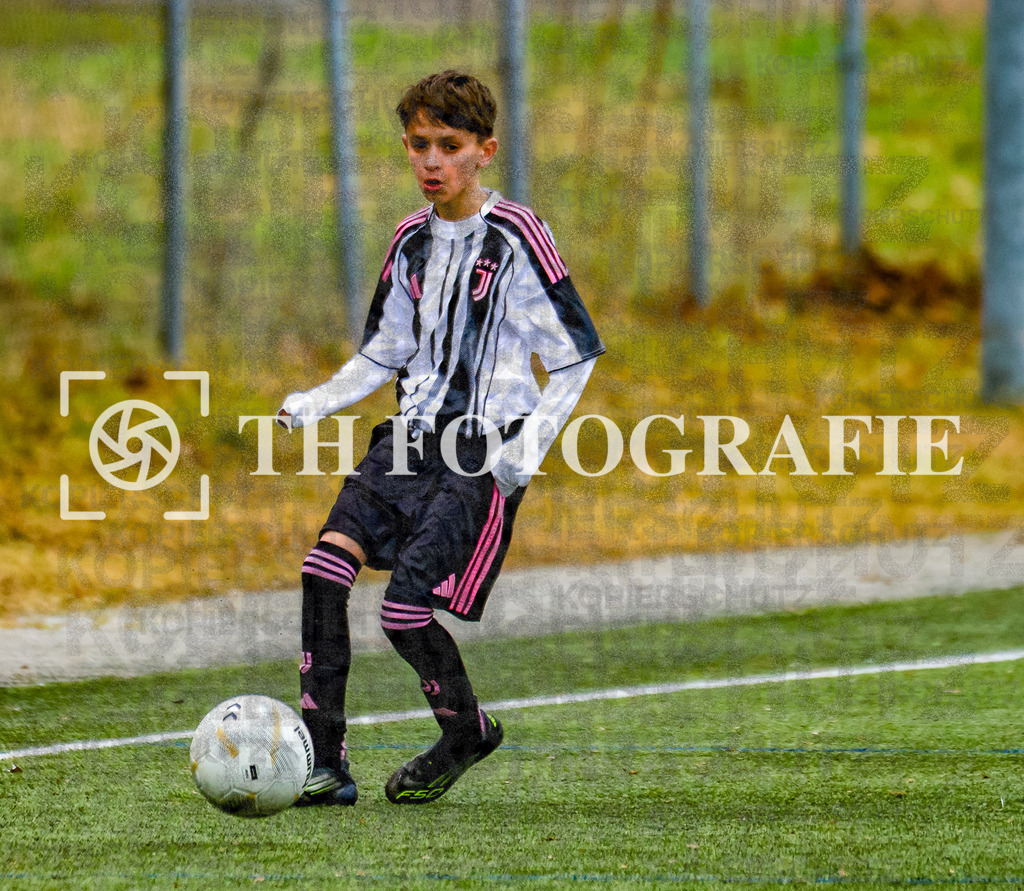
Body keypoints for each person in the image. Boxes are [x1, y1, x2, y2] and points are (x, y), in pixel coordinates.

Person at [277, 70, 604, 805]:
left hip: (482, 452)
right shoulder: (409, 240)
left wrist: (525, 452)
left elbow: (575, 355)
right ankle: (325, 762)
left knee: (403, 611)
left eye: (449, 146)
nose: (432, 161)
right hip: (407, 442)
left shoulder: (517, 237)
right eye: (420, 144)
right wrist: (318, 400)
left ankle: (464, 732)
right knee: (322, 570)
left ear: (485, 150)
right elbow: (385, 350)